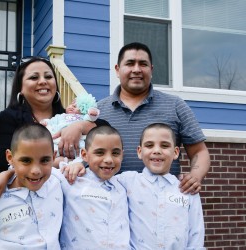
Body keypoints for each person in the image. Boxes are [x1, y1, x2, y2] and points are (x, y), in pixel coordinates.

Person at [61, 42, 210, 194]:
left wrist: (195, 175)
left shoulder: (175, 105)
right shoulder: (98, 111)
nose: (137, 69)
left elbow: (199, 151)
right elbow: (84, 155)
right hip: (111, 205)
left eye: (143, 64)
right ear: (117, 70)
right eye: (130, 63)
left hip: (162, 204)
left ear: (151, 70)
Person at [0, 56, 107, 172]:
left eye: (48, 76)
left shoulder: (67, 116)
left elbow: (109, 134)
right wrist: (52, 162)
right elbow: (0, 160)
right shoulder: (8, 118)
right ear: (21, 88)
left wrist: (81, 126)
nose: (43, 81)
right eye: (34, 77)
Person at [0, 124, 63, 249]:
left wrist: (8, 173)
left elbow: (89, 164)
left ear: (53, 157)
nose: (36, 170)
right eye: (26, 161)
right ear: (10, 158)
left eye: (44, 160)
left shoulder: (58, 182)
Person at [118, 123, 205, 249]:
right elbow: (96, 177)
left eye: (164, 145)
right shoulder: (127, 181)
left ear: (175, 152)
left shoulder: (187, 188)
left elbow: (196, 235)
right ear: (140, 152)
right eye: (149, 145)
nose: (157, 150)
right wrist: (79, 164)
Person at [55, 125, 130, 249]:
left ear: (122, 155)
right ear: (84, 154)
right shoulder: (71, 178)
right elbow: (39, 172)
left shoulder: (125, 184)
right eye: (100, 152)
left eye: (115, 153)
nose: (108, 159)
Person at [40, 93, 100, 161]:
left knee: (83, 149)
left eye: (75, 107)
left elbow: (91, 119)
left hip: (77, 141)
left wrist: (92, 114)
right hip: (58, 140)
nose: (72, 107)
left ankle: (79, 160)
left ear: (83, 111)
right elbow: (51, 121)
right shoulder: (61, 116)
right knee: (52, 149)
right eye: (71, 105)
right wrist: (45, 122)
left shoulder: (82, 117)